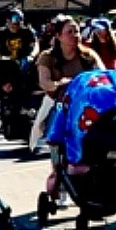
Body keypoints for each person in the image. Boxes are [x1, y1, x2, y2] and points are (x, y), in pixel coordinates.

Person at [34, 15, 105, 154]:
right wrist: (59, 84)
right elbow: (44, 82)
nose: (75, 35)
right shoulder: (47, 57)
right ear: (58, 36)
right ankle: (57, 169)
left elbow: (103, 75)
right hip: (60, 104)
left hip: (88, 105)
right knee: (55, 137)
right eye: (69, 32)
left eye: (77, 31)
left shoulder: (89, 55)